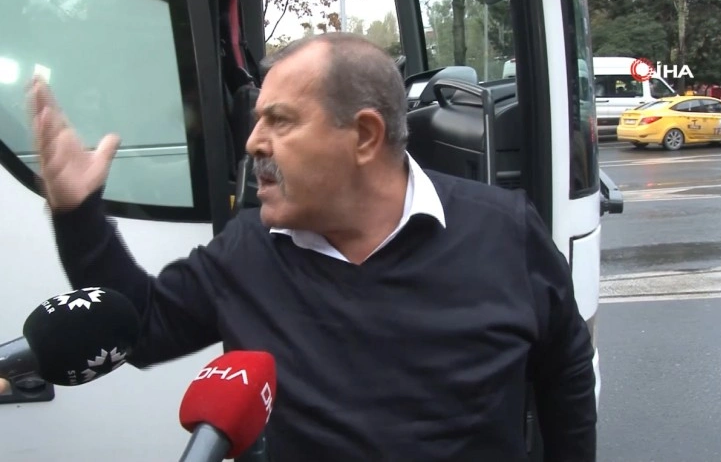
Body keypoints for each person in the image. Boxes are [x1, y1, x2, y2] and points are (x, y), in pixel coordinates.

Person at [2, 33, 596, 461]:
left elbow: (564, 368)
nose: (253, 142)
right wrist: (78, 213)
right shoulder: (248, 249)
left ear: (364, 135)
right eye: (258, 119)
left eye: (280, 121)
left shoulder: (502, 230)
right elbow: (142, 328)